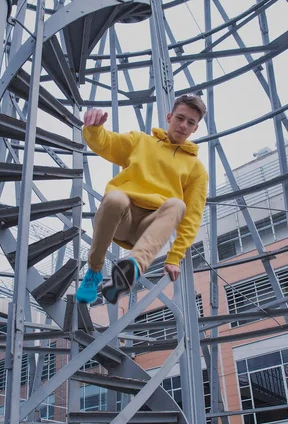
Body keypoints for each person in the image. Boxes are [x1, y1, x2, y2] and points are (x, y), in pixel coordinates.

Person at [76, 93, 208, 305]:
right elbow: (107, 143)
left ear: (195, 128)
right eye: (180, 118)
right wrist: (93, 129)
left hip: (150, 227)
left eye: (190, 122)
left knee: (177, 204)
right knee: (115, 198)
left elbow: (192, 216)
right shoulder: (141, 141)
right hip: (122, 217)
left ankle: (132, 268)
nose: (183, 125)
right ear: (169, 117)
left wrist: (174, 257)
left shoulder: (196, 169)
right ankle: (94, 271)